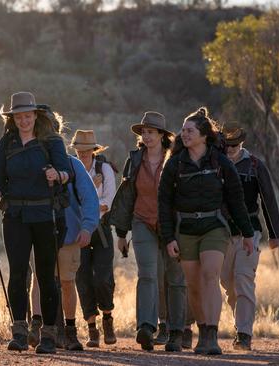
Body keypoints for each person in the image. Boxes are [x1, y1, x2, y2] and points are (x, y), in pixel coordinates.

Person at [158, 107, 255, 355]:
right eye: (183, 130)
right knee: (193, 285)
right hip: (186, 228)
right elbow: (164, 203)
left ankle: (211, 335)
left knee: (210, 275)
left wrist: (247, 233)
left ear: (204, 135)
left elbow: (236, 199)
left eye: (190, 130)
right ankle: (202, 330)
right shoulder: (174, 164)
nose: (184, 134)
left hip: (215, 226)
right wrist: (168, 238)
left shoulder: (220, 161)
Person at [0, 92, 71, 354]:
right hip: (16, 216)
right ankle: (18, 332)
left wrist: (58, 174)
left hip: (46, 215)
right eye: (18, 116)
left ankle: (49, 336)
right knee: (17, 272)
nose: (23, 120)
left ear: (35, 115)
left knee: (45, 276)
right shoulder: (6, 143)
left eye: (27, 115)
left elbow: (68, 173)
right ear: (12, 118)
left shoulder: (51, 141)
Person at [109, 112, 186, 352]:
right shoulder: (134, 161)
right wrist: (121, 234)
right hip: (141, 221)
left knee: (174, 277)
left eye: (151, 132)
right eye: (144, 132)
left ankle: (175, 331)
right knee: (147, 274)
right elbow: (127, 197)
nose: (147, 136)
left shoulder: (175, 159)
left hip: (171, 226)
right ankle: (146, 327)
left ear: (162, 135)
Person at [28, 152, 100, 351]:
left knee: (67, 282)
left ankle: (70, 332)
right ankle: (38, 328)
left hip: (69, 234)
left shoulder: (72, 165)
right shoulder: (31, 161)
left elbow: (90, 198)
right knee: (39, 279)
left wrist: (87, 227)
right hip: (39, 232)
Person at [220, 124, 279, 351]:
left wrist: (275, 234)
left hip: (250, 231)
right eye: (226, 145)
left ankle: (244, 333)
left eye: (234, 145)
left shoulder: (255, 165)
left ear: (242, 144)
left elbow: (268, 198)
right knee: (227, 282)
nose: (230, 149)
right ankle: (241, 323)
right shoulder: (216, 163)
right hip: (222, 231)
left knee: (243, 279)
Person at [72, 130, 118, 348]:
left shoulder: (105, 169)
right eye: (79, 150)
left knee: (103, 276)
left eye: (86, 150)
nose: (82, 154)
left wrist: (89, 202)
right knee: (82, 278)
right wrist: (92, 188)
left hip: (100, 229)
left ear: (94, 150)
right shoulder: (72, 169)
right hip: (79, 229)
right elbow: (73, 202)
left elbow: (108, 201)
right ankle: (92, 328)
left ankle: (107, 317)